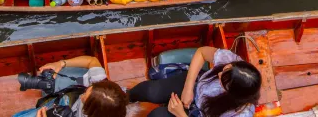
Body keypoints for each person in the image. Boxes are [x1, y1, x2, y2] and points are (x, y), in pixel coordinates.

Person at [129, 46, 262, 117]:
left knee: (156, 116)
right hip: (195, 85)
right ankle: (125, 97)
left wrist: (180, 114)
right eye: (225, 69)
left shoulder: (241, 114)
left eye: (223, 81)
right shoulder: (232, 60)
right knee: (151, 91)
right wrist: (188, 87)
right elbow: (202, 52)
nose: (219, 73)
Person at [29, 56, 128, 117]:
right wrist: (61, 63)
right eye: (86, 92)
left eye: (84, 99)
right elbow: (92, 61)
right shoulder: (103, 87)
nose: (81, 96)